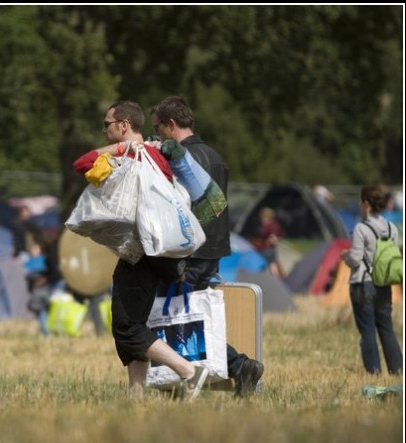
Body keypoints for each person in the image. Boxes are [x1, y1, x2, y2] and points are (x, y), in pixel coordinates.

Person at [73, 100, 208, 401]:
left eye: (106, 124)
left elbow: (82, 164)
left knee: (126, 326)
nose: (103, 130)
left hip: (142, 254)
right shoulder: (156, 154)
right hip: (159, 252)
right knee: (132, 322)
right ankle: (135, 396)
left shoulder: (134, 155)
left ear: (124, 126)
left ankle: (187, 371)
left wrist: (119, 150)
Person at [150, 96, 264, 397]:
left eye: (158, 127)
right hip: (214, 247)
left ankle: (239, 366)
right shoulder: (215, 156)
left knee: (177, 319)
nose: (157, 134)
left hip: (190, 251)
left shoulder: (179, 159)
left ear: (171, 125)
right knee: (193, 317)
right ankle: (224, 371)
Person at [341, 185, 403, 376]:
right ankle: (398, 369)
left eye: (361, 201)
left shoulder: (361, 228)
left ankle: (374, 372)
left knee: (367, 330)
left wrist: (346, 256)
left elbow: (356, 259)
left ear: (366, 204)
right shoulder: (391, 228)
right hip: (384, 283)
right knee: (386, 328)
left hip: (364, 283)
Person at [257, 207, 285, 278]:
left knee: (262, 262)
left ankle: (261, 276)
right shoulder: (275, 225)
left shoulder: (267, 225)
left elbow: (265, 234)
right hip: (272, 248)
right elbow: (280, 233)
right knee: (273, 264)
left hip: (266, 248)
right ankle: (276, 278)